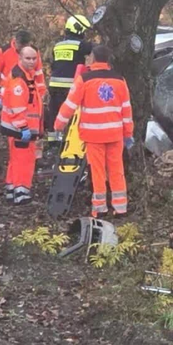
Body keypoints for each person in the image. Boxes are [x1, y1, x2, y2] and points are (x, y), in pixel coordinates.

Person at [54, 45, 133, 218]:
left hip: (93, 135)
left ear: (94, 59)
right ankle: (120, 208)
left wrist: (58, 124)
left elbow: (70, 105)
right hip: (115, 134)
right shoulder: (120, 80)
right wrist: (128, 133)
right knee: (117, 170)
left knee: (98, 172)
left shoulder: (84, 79)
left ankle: (100, 208)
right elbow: (126, 110)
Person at [0, 45, 45, 205]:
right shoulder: (19, 80)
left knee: (16, 160)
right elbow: (17, 107)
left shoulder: (25, 76)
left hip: (18, 128)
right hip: (21, 129)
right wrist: (24, 128)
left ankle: (12, 190)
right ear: (20, 58)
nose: (32, 61)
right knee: (24, 162)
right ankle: (22, 194)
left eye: (34, 58)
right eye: (28, 58)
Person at [45, 15, 93, 141]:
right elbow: (98, 50)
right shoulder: (81, 45)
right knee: (70, 115)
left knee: (55, 113)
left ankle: (53, 142)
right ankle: (67, 141)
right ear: (80, 30)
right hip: (70, 87)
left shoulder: (57, 45)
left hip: (54, 86)